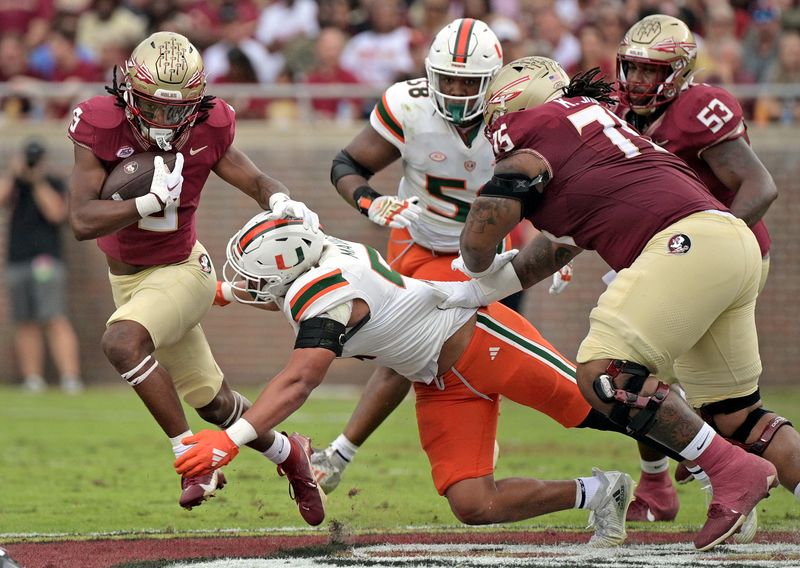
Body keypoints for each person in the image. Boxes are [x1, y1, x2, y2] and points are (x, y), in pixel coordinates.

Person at [450, 55, 792, 551]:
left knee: (604, 371)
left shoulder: (534, 126)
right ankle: (742, 461)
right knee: (740, 415)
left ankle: (732, 471)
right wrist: (476, 290)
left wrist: (475, 260)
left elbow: (498, 202)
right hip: (731, 242)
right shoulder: (597, 133)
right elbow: (556, 246)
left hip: (686, 244)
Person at [174, 211, 661, 544]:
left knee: (604, 408)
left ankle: (722, 453)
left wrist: (233, 439)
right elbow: (284, 247)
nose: (250, 288)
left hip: (480, 340)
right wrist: (227, 290)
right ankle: (603, 492)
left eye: (255, 279)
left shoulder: (325, 294)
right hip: (437, 380)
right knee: (473, 503)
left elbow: (299, 380)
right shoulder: (317, 248)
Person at [312, 18, 570, 493]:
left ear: (491, 81)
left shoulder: (519, 108)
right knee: (409, 350)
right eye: (445, 78)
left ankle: (341, 454)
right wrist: (371, 201)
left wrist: (559, 241)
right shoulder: (407, 105)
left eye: (466, 81)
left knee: (470, 359)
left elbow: (551, 185)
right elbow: (348, 165)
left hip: (492, 258)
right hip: (418, 245)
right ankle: (342, 453)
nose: (452, 90)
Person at [66, 31, 321, 514]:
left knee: (122, 343)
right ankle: (293, 453)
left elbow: (255, 178)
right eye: (154, 107)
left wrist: (280, 199)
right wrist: (145, 201)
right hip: (128, 281)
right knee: (215, 403)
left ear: (198, 102)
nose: (165, 119)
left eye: (177, 108)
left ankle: (193, 457)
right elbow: (81, 220)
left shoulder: (210, 126)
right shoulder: (98, 124)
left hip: (184, 270)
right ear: (128, 94)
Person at [614, 14, 780, 530]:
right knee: (640, 373)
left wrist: (707, 249)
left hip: (720, 254)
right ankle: (664, 480)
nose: (638, 80)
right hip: (671, 253)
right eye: (632, 67)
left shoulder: (698, 110)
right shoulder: (620, 111)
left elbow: (760, 186)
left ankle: (706, 478)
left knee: (638, 372)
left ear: (681, 71)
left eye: (651, 69)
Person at [1, 140, 84, 395]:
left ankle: (70, 378)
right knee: (24, 320)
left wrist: (37, 181)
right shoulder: (14, 182)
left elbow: (57, 214)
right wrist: (13, 174)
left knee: (53, 317)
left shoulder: (53, 183)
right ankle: (32, 379)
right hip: (17, 260)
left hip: (46, 260)